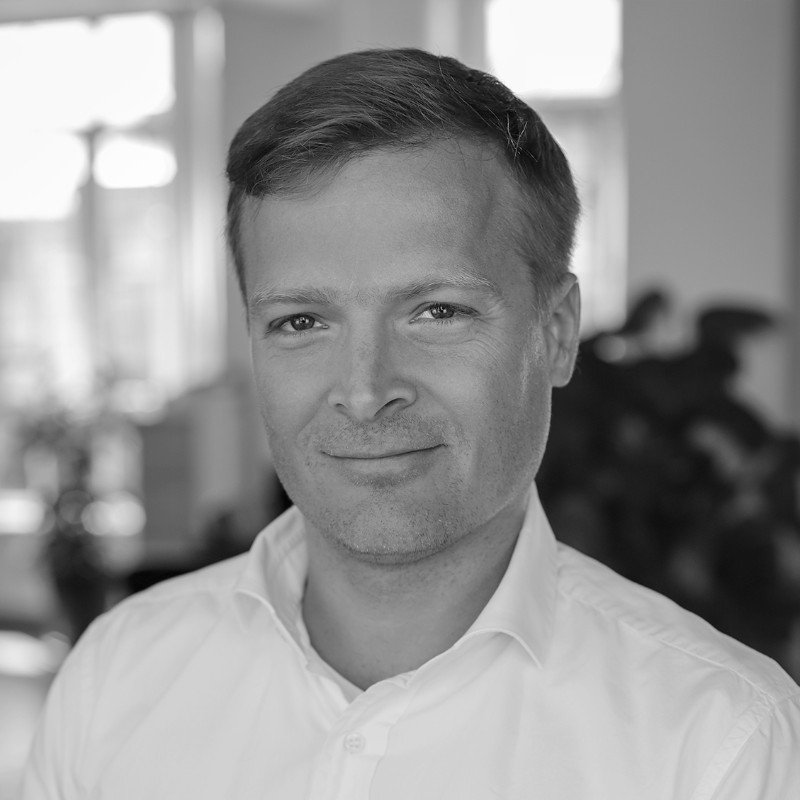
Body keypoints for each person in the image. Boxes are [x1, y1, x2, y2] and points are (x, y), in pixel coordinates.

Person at [22, 48, 800, 799]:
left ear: (556, 332)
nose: (364, 392)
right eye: (301, 322)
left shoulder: (721, 741)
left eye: (437, 311)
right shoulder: (117, 681)